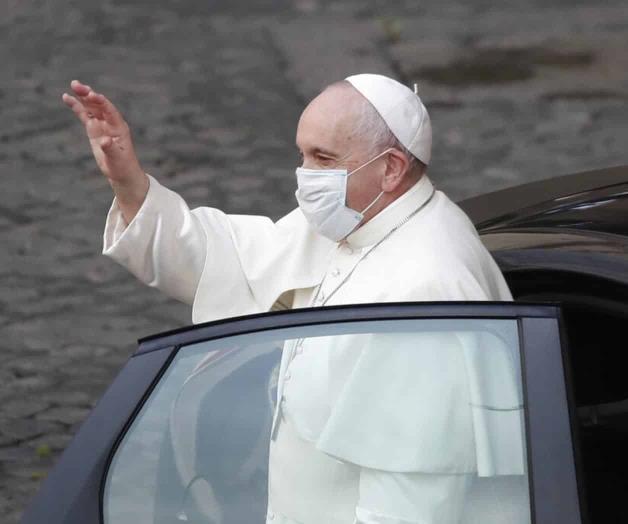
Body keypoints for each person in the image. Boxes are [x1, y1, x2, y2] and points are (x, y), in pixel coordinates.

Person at [62, 74, 524, 523]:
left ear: (391, 169)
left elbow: (411, 504)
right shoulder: (354, 218)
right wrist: (128, 181)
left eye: (322, 158)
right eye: (302, 154)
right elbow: (225, 262)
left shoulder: (426, 292)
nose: (304, 176)